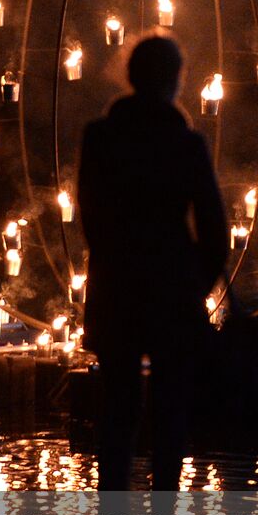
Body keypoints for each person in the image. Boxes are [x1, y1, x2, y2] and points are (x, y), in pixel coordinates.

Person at [77, 33, 228, 491]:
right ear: (175, 81)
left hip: (116, 287)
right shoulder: (186, 144)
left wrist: (110, 265)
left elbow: (91, 215)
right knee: (170, 414)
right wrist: (196, 282)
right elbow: (214, 227)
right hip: (172, 291)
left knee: (117, 410)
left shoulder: (100, 137)